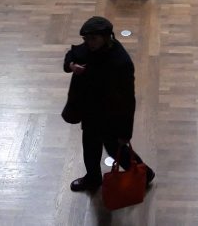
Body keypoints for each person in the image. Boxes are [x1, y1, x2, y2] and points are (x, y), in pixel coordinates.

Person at [64, 16, 155, 192]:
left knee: (114, 148)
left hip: (110, 116)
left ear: (106, 37)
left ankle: (144, 174)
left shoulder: (121, 62)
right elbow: (72, 54)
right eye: (86, 39)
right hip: (90, 111)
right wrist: (71, 65)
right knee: (90, 146)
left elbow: (128, 100)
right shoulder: (90, 47)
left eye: (93, 39)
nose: (88, 43)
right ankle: (93, 178)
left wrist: (126, 132)